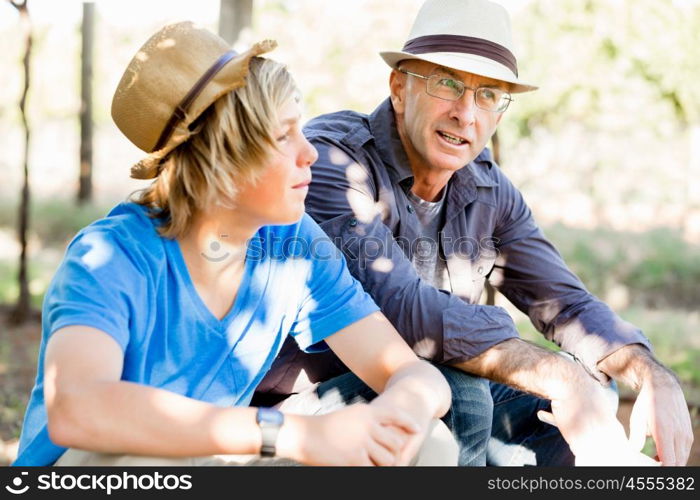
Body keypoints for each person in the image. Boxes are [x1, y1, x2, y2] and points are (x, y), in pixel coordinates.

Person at [254, 0, 693, 466]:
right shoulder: (332, 161)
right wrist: (558, 374)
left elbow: (567, 306)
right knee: (464, 388)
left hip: (413, 392)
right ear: (399, 88)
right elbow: (405, 311)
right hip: (293, 413)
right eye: (447, 84)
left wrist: (649, 372)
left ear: (500, 114)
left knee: (585, 405)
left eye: (488, 95)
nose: (466, 113)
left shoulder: (486, 187)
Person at [12, 21, 457, 467]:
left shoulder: (294, 245)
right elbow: (78, 409)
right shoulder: (109, 257)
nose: (310, 153)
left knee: (427, 442)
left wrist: (402, 410)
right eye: (284, 136)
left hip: (209, 458)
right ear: (221, 157)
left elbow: (411, 373)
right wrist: (290, 434)